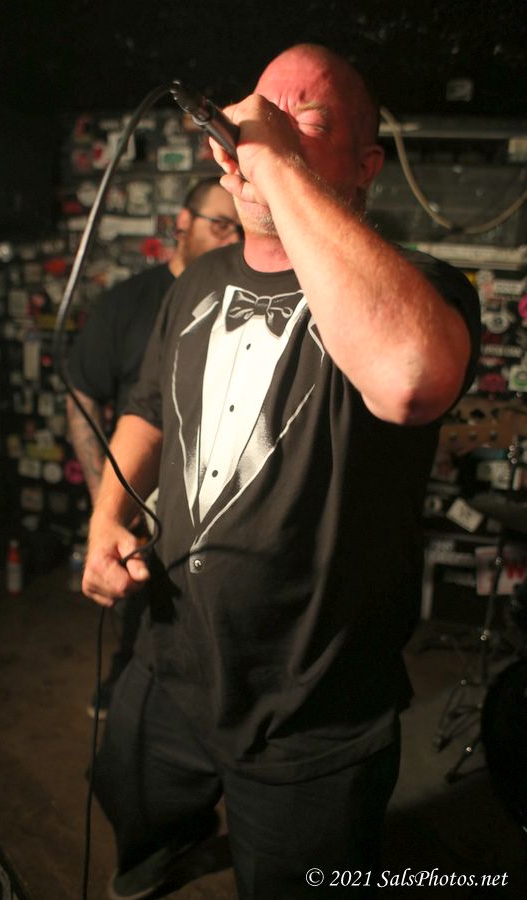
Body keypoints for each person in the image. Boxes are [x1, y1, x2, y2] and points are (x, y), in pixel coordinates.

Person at [82, 44, 481, 900]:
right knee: (134, 805)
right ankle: (166, 852)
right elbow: (148, 408)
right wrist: (107, 514)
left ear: (365, 165)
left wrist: (274, 159)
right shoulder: (196, 283)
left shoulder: (420, 288)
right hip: (170, 655)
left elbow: (411, 378)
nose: (267, 128)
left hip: (313, 708)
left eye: (308, 118)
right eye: (261, 110)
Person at [67, 176, 241, 716]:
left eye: (241, 228)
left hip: (217, 493)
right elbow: (83, 393)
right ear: (182, 224)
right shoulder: (129, 302)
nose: (233, 239)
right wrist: (107, 501)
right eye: (221, 225)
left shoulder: (248, 300)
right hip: (144, 487)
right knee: (137, 610)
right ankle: (126, 680)